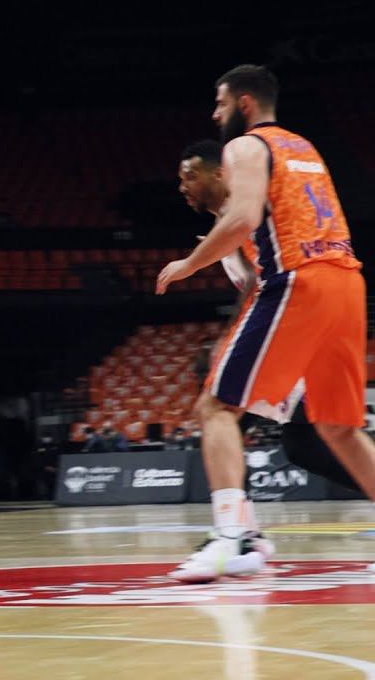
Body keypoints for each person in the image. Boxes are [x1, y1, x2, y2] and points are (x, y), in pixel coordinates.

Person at [157, 64, 375, 581]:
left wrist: (188, 265)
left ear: (244, 104)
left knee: (215, 407)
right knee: (338, 429)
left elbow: (243, 219)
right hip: (347, 282)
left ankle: (232, 537)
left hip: (298, 281)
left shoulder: (246, 146)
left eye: (220, 103)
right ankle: (244, 534)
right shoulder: (305, 148)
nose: (216, 115)